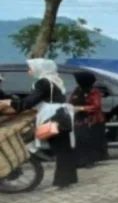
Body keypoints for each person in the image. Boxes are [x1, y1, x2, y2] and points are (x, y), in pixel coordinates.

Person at [17, 59, 78, 190]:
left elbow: (32, 100)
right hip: (62, 115)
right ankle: (68, 180)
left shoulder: (43, 82)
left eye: (31, 68)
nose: (29, 70)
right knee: (64, 149)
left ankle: (61, 183)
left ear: (40, 68)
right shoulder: (56, 79)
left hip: (51, 116)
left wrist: (17, 106)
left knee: (59, 150)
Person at [69, 71, 106, 167]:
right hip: (79, 119)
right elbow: (71, 101)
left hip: (91, 120)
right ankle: (79, 161)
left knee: (89, 140)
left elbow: (96, 106)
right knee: (79, 139)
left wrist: (81, 108)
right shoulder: (77, 90)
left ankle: (89, 161)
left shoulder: (94, 91)